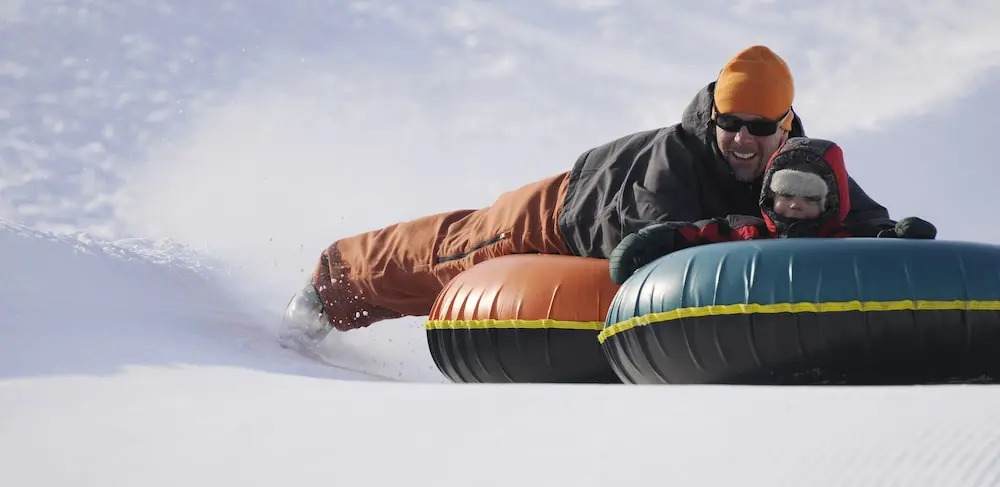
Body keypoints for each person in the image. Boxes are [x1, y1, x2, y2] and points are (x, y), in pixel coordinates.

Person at [279, 45, 898, 348]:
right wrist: (758, 231)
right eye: (730, 122)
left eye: (758, 128)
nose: (741, 140)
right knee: (452, 255)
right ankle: (333, 283)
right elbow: (663, 241)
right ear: (713, 115)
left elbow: (852, 212)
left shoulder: (798, 168)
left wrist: (892, 236)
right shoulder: (674, 158)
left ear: (786, 126)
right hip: (563, 213)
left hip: (598, 232)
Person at [608, 136, 937, 283]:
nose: (795, 204)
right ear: (769, 195)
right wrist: (656, 238)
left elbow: (876, 237)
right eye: (786, 193)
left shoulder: (844, 242)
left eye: (810, 198)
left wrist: (902, 236)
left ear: (830, 204)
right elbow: (700, 233)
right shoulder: (749, 233)